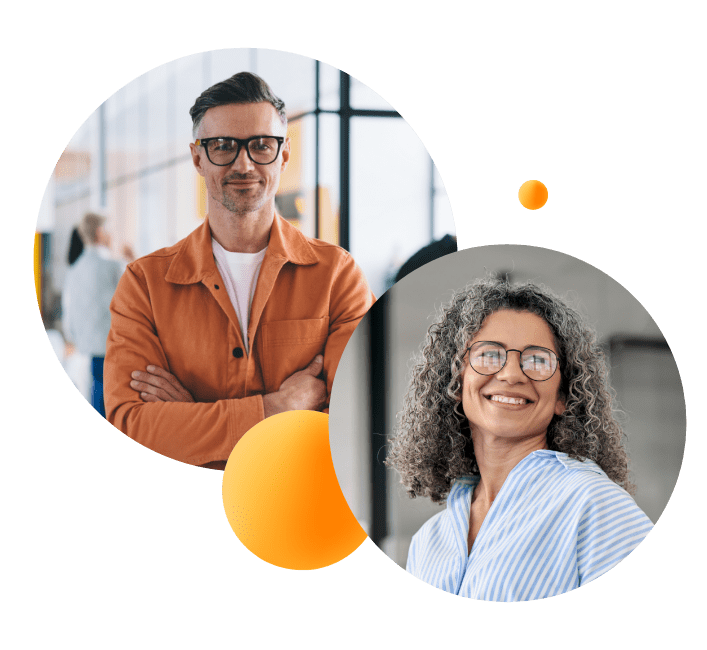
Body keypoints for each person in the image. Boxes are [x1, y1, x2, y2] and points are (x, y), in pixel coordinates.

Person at [104, 72, 374, 470]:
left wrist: (193, 418)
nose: (244, 163)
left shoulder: (337, 275)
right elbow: (132, 426)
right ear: (198, 157)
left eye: (261, 146)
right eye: (223, 146)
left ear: (283, 156)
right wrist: (275, 408)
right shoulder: (144, 284)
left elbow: (357, 416)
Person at [386, 277, 653, 602]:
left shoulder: (594, 505)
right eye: (488, 355)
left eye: (538, 360)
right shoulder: (428, 541)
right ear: (456, 382)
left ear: (563, 396)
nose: (512, 374)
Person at [63, 213, 125, 417]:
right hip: (111, 346)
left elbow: (69, 311)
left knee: (95, 393)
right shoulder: (112, 266)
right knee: (107, 401)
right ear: (100, 233)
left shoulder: (74, 269)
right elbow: (131, 302)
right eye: (108, 230)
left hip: (84, 346)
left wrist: (74, 337)